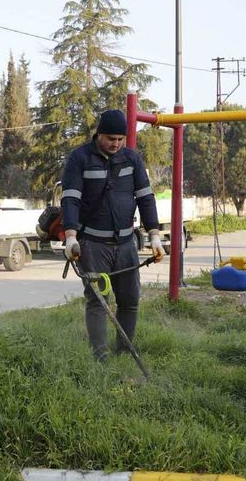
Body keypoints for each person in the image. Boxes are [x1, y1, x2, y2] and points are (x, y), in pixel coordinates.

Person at [60, 109, 165, 362]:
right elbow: (71, 199)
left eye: (120, 139)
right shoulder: (79, 158)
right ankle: (101, 357)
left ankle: (124, 353)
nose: (116, 144)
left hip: (127, 244)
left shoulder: (132, 160)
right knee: (98, 302)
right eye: (110, 138)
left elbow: (145, 197)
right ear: (99, 134)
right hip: (93, 245)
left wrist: (154, 235)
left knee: (129, 301)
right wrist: (71, 237)